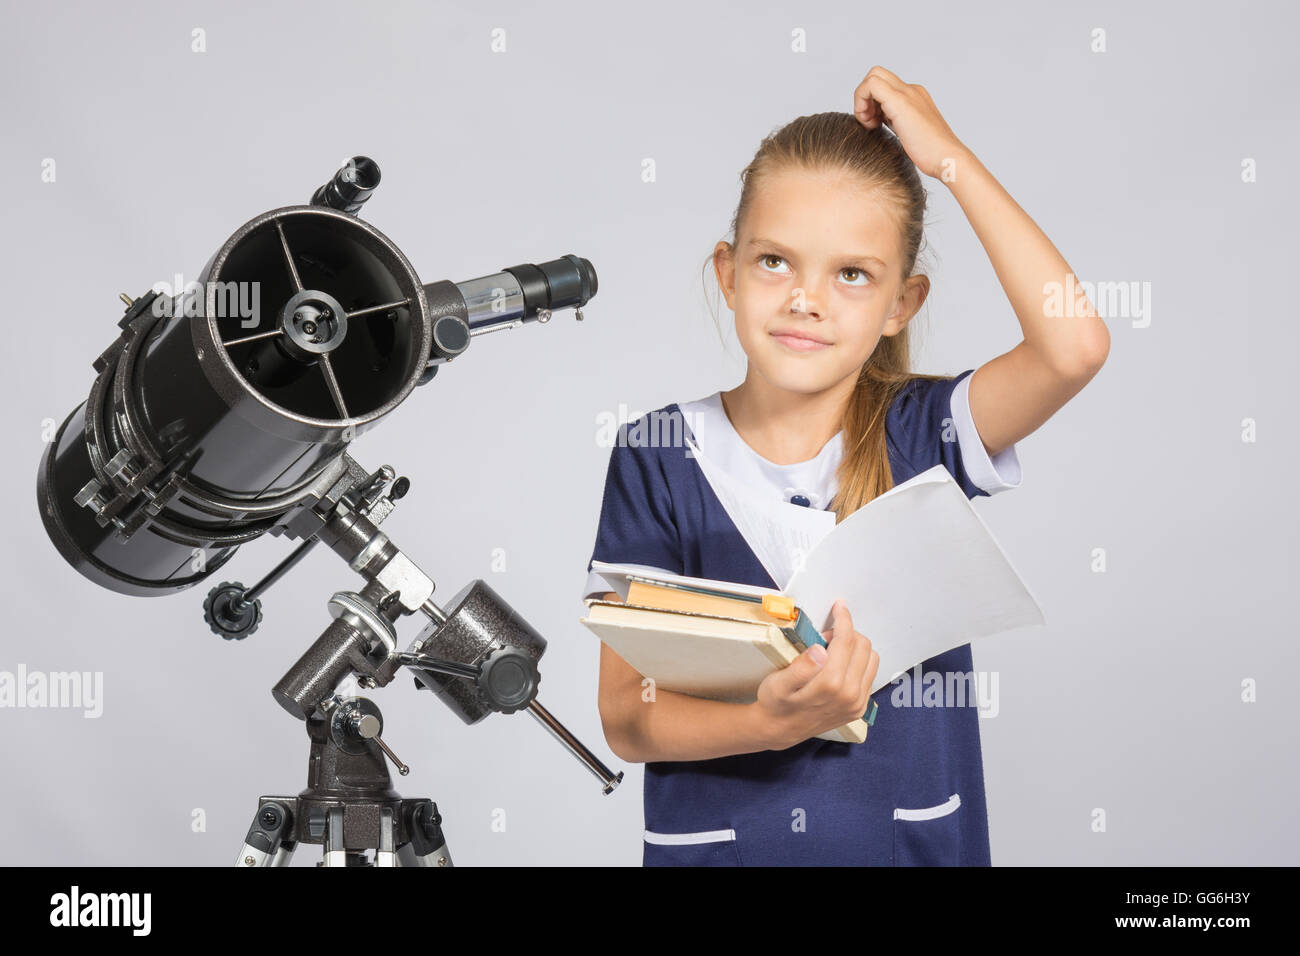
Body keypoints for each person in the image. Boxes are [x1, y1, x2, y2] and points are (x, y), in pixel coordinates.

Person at [582, 66, 1109, 866]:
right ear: (728, 273)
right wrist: (772, 721)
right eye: (774, 262)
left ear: (903, 302)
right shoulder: (657, 455)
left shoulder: (921, 431)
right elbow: (628, 716)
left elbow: (1074, 347)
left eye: (852, 274)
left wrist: (951, 161)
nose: (806, 298)